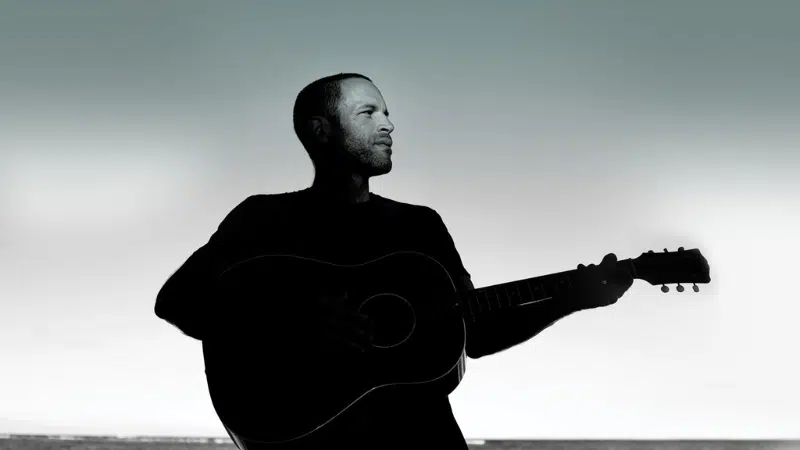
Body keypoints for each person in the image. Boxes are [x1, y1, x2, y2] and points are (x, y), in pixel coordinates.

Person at [154, 73, 634, 449]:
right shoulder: (262, 218)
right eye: (368, 112)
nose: (388, 124)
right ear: (320, 131)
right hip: (306, 439)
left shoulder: (419, 227)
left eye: (387, 112)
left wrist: (570, 300)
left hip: (422, 439)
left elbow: (478, 332)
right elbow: (177, 301)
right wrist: (296, 324)